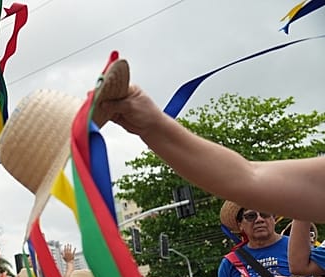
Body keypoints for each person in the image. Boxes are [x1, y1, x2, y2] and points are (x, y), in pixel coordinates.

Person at [101, 84, 325, 222]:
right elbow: (248, 178)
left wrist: (153, 126)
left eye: (265, 214)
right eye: (250, 215)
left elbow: (248, 178)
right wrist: (153, 126)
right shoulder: (231, 263)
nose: (259, 219)